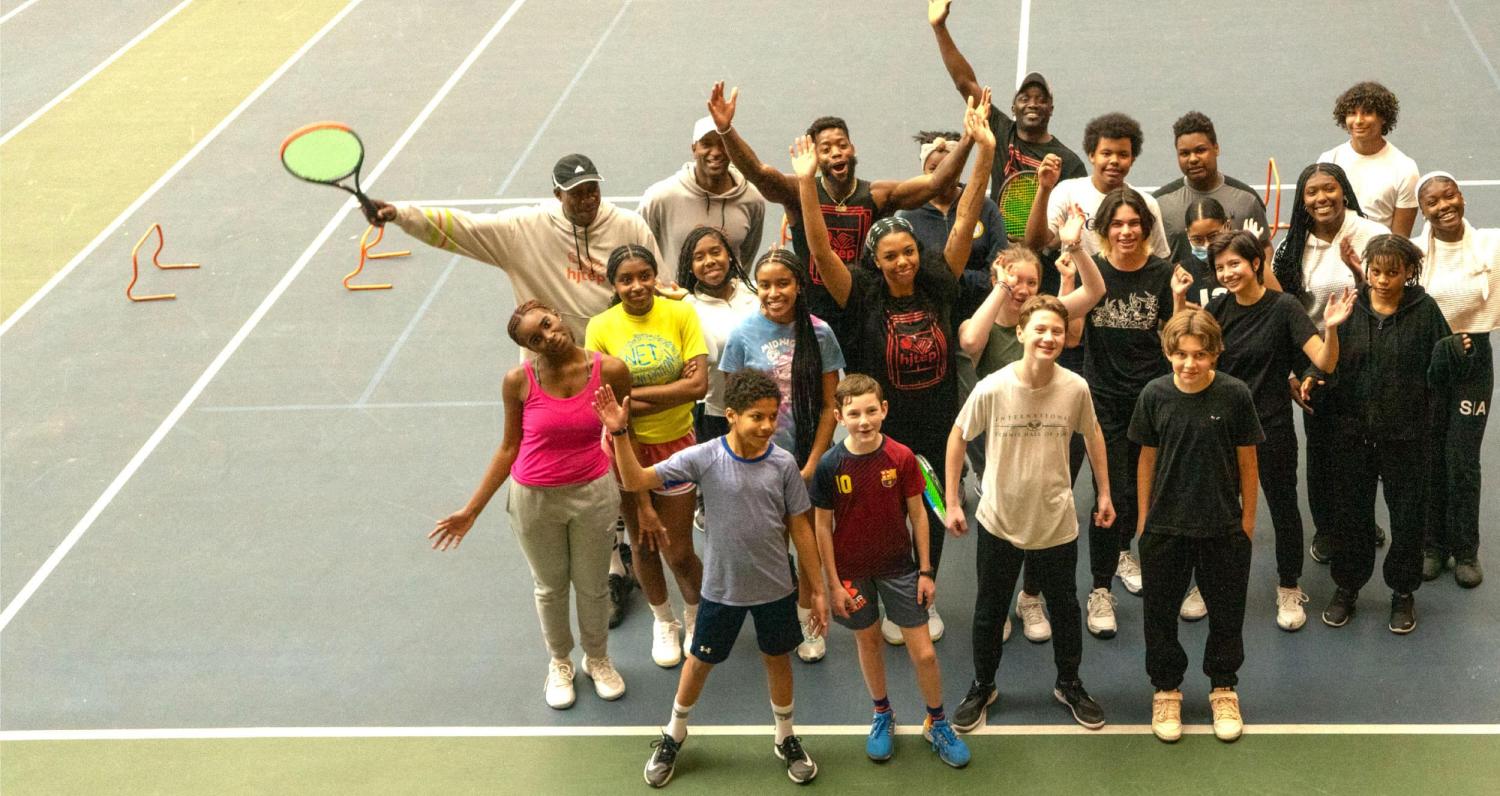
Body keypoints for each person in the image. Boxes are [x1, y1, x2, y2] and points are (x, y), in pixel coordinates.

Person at [794, 92, 997, 641]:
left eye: (909, 251)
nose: (904, 260)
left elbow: (965, 218)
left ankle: (923, 591)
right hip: (879, 431)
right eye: (891, 256)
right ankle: (890, 591)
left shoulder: (936, 282)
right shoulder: (857, 294)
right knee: (880, 519)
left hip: (935, 425)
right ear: (876, 262)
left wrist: (985, 152)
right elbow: (819, 248)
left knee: (930, 510)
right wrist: (808, 187)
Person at [594, 370, 828, 788]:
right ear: (732, 416)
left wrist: (818, 590)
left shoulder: (784, 463)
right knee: (699, 662)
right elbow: (636, 480)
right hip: (722, 590)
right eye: (757, 416)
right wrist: (620, 433)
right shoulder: (704, 457)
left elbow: (802, 529)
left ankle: (785, 737)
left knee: (778, 659)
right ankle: (674, 734)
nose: (768, 426)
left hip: (776, 587)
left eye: (773, 416)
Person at [427, 300, 634, 709]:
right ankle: (560, 663)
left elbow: (626, 435)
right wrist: (471, 510)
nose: (548, 336)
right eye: (534, 339)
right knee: (550, 587)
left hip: (594, 493)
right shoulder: (517, 382)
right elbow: (508, 448)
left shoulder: (611, 371)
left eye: (546, 324)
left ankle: (598, 659)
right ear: (529, 347)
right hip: (534, 500)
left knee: (593, 586)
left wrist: (639, 502)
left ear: (556, 314)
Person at [945, 294, 1114, 733]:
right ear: (1020, 333)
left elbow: (1093, 435)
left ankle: (1069, 682)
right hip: (999, 521)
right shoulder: (993, 387)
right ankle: (983, 685)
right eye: (1039, 328)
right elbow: (957, 437)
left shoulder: (1075, 388)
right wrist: (950, 500)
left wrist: (1105, 494)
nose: (1048, 337)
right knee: (989, 610)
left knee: (1065, 609)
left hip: (1056, 522)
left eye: (1056, 330)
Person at [705, 81, 975, 335]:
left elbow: (936, 183)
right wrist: (726, 131)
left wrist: (969, 139)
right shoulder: (801, 190)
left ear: (852, 149)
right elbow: (758, 173)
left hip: (865, 313)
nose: (836, 152)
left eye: (842, 145)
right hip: (813, 314)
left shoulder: (877, 195)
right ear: (814, 156)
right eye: (826, 148)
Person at [956, 221, 1106, 645]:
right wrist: (1001, 290)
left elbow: (1094, 293)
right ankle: (998, 603)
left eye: (1032, 282)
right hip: (994, 453)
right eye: (1015, 279)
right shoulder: (986, 321)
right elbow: (969, 342)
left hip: (1046, 443)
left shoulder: (1044, 320)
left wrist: (1076, 248)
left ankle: (1031, 597)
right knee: (997, 536)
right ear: (998, 275)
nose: (1023, 288)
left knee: (1044, 521)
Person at [812, 374, 970, 768]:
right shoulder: (830, 465)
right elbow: (821, 528)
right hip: (852, 574)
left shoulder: (900, 457)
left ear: (884, 410)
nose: (863, 420)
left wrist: (927, 571)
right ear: (838, 416)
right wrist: (833, 584)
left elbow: (918, 515)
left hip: (900, 569)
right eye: (853, 413)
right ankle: (882, 713)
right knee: (868, 644)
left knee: (926, 655)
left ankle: (937, 721)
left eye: (870, 411)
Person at [1198, 230, 1353, 631]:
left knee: (1283, 507)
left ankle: (1288, 585)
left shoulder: (1284, 307)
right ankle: (1207, 585)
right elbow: (1194, 360)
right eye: (1220, 267)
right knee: (1217, 509)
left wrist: (1331, 329)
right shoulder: (1215, 310)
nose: (1228, 272)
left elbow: (1324, 360)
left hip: (1271, 426)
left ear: (1255, 264)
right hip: (1223, 429)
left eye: (1235, 263)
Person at [1314, 236, 1467, 634]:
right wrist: (1312, 378)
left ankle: (1402, 592)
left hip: (1407, 437)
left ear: (1408, 272)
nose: (1382, 280)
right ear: (1365, 269)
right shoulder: (1350, 307)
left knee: (1407, 517)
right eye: (1375, 271)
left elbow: (1443, 369)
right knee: (1351, 515)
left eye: (1392, 272)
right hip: (1352, 436)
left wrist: (1456, 350)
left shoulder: (1425, 310)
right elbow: (1328, 362)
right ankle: (1347, 586)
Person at [1131, 309, 1264, 744]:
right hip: (1166, 529)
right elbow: (1146, 458)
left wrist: (1246, 524)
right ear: (1169, 353)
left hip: (1223, 529)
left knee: (1227, 615)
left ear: (1216, 354)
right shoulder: (1154, 395)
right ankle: (1166, 690)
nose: (1190, 363)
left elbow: (1248, 462)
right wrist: (1144, 520)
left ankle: (1223, 688)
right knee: (1159, 616)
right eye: (1181, 354)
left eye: (1201, 355)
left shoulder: (1235, 395)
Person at [365, 153, 662, 343]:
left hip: (620, 353)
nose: (587, 200)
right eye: (577, 193)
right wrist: (400, 214)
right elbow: (463, 227)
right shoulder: (523, 229)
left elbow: (661, 288)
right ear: (557, 194)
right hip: (552, 365)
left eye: (592, 190)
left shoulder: (629, 226)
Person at [585, 246, 708, 669]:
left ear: (656, 276)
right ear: (614, 285)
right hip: (624, 446)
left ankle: (695, 615)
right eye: (626, 279)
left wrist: (631, 398)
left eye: (644, 276)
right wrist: (658, 396)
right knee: (642, 542)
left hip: (678, 445)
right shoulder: (600, 327)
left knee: (677, 549)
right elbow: (608, 408)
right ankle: (664, 619)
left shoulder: (681, 315)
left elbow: (697, 388)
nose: (636, 286)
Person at [720, 248, 846, 662]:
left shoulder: (820, 333)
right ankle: (783, 615)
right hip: (759, 464)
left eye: (783, 283)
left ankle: (811, 618)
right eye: (766, 285)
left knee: (805, 541)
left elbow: (830, 406)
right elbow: (733, 408)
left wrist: (811, 463)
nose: (774, 293)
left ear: (798, 285)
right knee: (772, 547)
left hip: (804, 461)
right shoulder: (741, 336)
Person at [1269, 162, 1389, 563]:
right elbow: (1282, 313)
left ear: (1344, 192)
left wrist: (1360, 274)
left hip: (1368, 360)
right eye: (1311, 192)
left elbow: (1396, 294)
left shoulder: (1374, 236)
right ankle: (1327, 527)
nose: (1321, 198)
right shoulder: (1292, 248)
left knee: (1364, 450)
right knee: (1321, 452)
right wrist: (1291, 371)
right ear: (1302, 202)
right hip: (1318, 362)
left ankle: (1359, 520)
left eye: (1329, 189)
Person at [1075, 188, 1178, 638]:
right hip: (1103, 401)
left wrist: (1182, 300)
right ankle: (1101, 587)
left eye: (1134, 223)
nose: (1126, 231)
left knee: (1150, 491)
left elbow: (1178, 339)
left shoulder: (1164, 275)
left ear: (1146, 229)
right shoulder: (1092, 272)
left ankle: (1127, 554)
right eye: (1117, 224)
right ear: (1104, 230)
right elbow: (1074, 336)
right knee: (1110, 492)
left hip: (1151, 401)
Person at [1415, 173, 1499, 588]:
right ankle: (1432, 546)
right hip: (1429, 362)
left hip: (1473, 363)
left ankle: (1465, 550)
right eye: (1433, 201)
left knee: (1462, 458)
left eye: (1450, 195)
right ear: (1423, 211)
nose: (1444, 205)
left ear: (1461, 196)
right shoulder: (1413, 255)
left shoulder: (1491, 245)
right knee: (1429, 454)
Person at [927, 0, 1087, 188]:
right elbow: (965, 82)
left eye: (1041, 99)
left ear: (1051, 109)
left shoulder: (1069, 163)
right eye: (1025, 98)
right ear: (1013, 108)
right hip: (997, 219)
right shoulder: (1000, 132)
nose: (1032, 104)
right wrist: (939, 27)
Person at [1023, 114, 1172, 260]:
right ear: (1091, 155)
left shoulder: (1147, 204)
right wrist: (1044, 188)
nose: (1114, 160)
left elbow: (1160, 259)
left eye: (1123, 154)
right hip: (1076, 284)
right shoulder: (1067, 192)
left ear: (1132, 159)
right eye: (1106, 153)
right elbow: (1034, 244)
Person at [898, 130, 1008, 322]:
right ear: (924, 171)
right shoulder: (908, 215)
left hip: (983, 316)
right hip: (928, 319)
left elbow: (1001, 266)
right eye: (934, 169)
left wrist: (957, 279)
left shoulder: (985, 207)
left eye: (951, 168)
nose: (945, 176)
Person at [638, 117, 767, 269]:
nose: (716, 152)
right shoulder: (659, 198)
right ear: (694, 149)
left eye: (723, 144)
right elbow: (638, 252)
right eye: (706, 144)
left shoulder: (752, 200)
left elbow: (745, 260)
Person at [677, 226, 760, 447]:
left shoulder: (754, 294)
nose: (710, 261)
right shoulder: (687, 308)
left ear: (730, 257)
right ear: (691, 267)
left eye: (716, 252)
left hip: (764, 408)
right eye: (699, 257)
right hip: (715, 414)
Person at [1153, 112, 1270, 255]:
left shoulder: (1247, 200)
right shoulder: (1160, 204)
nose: (1193, 159)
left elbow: (1265, 247)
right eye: (1184, 153)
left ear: (1216, 148)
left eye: (1200, 150)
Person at [1318, 81, 1420, 237]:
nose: (1358, 120)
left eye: (1367, 113)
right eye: (1352, 113)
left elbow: (1399, 239)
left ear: (1383, 117)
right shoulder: (1329, 160)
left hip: (1378, 258)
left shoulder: (1405, 168)